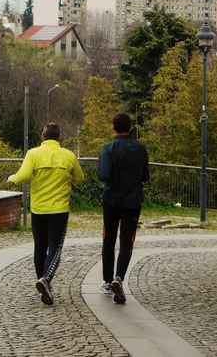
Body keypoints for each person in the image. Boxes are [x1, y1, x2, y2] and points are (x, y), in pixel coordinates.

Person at [8, 123, 84, 305]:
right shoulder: (69, 156)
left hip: (38, 209)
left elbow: (22, 177)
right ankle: (46, 279)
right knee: (55, 247)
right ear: (59, 137)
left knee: (40, 248)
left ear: (43, 136)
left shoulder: (33, 154)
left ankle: (43, 287)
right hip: (59, 210)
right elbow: (79, 179)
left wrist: (12, 178)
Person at [97, 112, 149, 304]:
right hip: (133, 201)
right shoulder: (140, 149)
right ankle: (118, 277)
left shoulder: (108, 149)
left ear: (113, 128)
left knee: (108, 240)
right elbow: (145, 176)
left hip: (111, 200)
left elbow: (103, 175)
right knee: (127, 240)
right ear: (130, 128)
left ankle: (107, 281)